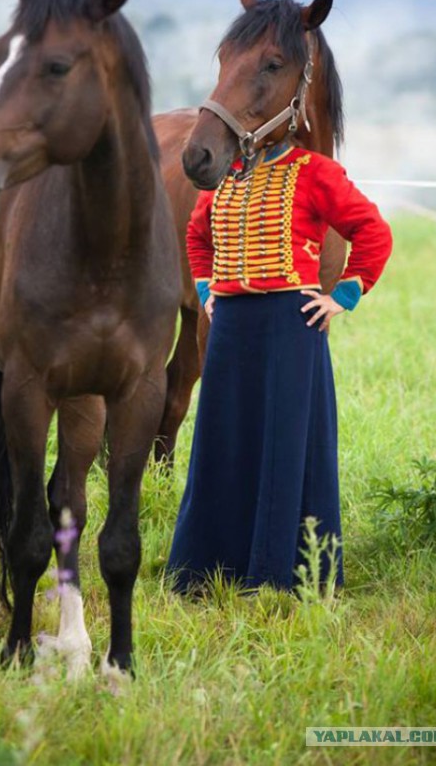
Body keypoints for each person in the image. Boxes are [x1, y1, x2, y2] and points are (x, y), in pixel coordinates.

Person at [166, 138, 392, 594]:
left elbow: (373, 231)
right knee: (223, 440)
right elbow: (197, 235)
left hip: (291, 323)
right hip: (230, 327)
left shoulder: (316, 171)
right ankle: (207, 570)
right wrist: (209, 293)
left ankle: (284, 576)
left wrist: (343, 296)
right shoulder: (224, 172)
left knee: (287, 445)